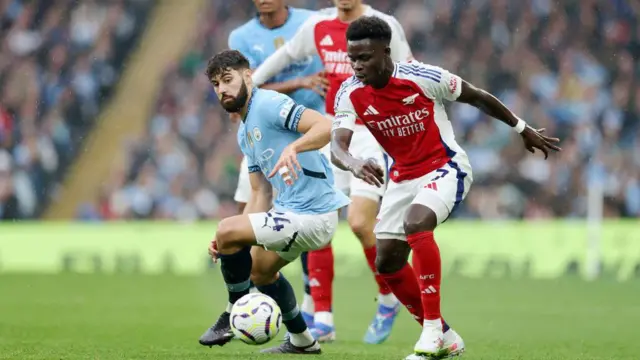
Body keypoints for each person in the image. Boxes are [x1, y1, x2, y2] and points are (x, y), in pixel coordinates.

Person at [332, 16, 562, 359]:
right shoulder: (350, 92)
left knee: (416, 223)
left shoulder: (422, 77)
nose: (357, 65)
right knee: (388, 262)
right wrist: (352, 163)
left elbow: (477, 96)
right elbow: (338, 144)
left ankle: (431, 333)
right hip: (401, 177)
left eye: (365, 57)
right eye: (353, 58)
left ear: (385, 51)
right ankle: (448, 336)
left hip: (445, 167)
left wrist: (521, 127)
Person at [252, 0, 413, 344]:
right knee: (317, 222)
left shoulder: (383, 24)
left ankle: (387, 298)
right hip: (334, 132)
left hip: (372, 135)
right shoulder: (318, 27)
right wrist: (250, 85)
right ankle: (323, 317)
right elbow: (284, 58)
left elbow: (409, 70)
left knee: (359, 223)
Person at [198, 49, 349, 355]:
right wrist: (237, 237)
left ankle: (231, 314)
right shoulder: (245, 133)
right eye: (216, 84)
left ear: (248, 75)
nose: (222, 89)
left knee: (227, 230)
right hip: (292, 213)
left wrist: (296, 146)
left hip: (315, 215)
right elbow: (259, 194)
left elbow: (325, 126)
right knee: (259, 271)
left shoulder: (268, 103)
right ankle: (303, 342)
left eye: (228, 79)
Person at [227, 0, 330, 330]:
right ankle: (247, 297)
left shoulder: (311, 23)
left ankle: (316, 306)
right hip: (262, 134)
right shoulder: (241, 36)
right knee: (248, 209)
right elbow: (246, 87)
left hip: (309, 133)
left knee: (312, 212)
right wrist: (298, 83)